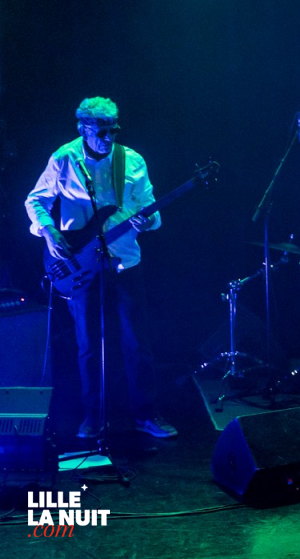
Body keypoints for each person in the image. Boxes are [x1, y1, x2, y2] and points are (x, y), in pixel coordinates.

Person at [25, 97, 177, 439]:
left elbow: (153, 214)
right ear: (83, 127)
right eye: (101, 131)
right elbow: (35, 200)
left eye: (113, 130)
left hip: (124, 261)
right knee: (89, 344)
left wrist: (146, 221)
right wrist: (49, 232)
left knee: (137, 343)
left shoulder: (133, 161)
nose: (109, 138)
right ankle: (92, 417)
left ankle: (146, 414)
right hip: (78, 264)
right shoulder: (64, 158)